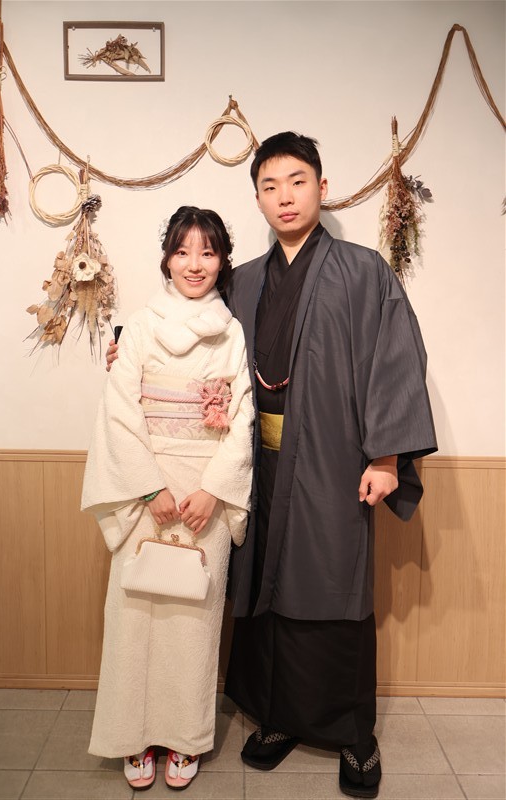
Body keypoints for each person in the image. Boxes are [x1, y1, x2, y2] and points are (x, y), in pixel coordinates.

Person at [106, 132, 437, 799]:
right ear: (256, 198)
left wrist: (386, 456)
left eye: (297, 181)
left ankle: (353, 735)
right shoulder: (247, 279)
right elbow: (189, 327)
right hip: (253, 459)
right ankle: (278, 717)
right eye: (269, 186)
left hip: (334, 459)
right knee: (262, 586)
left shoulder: (363, 271)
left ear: (321, 187)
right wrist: (122, 346)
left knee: (334, 588)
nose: (284, 196)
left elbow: (395, 359)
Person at [82, 206, 254, 791]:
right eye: (183, 251)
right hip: (145, 488)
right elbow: (119, 409)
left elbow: (241, 418)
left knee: (193, 621)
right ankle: (131, 735)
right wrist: (150, 485)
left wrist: (214, 490)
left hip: (206, 492)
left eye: (208, 252)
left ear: (222, 261)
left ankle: (183, 736)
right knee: (134, 616)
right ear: (167, 259)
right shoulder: (140, 325)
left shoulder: (232, 333)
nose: (195, 264)